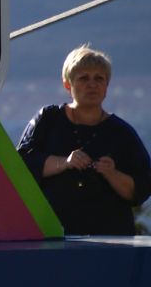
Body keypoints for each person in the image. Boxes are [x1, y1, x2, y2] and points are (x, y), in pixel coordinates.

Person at [18, 45, 150, 237]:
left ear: (107, 86)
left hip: (111, 239)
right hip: (53, 236)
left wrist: (112, 174)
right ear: (67, 84)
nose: (92, 84)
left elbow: (141, 189)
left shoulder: (122, 133)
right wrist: (64, 163)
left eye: (99, 78)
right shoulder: (48, 119)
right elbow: (20, 166)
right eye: (83, 78)